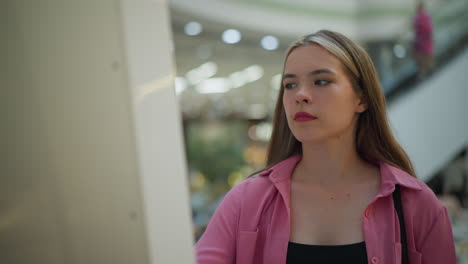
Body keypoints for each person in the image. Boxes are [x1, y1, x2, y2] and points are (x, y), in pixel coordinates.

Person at [195, 30, 456, 264]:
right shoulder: (246, 201)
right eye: (290, 85)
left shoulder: (417, 205)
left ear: (362, 98)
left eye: (321, 81)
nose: (300, 95)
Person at [413, 1, 434, 79]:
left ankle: (425, 73)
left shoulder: (420, 17)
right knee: (425, 56)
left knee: (425, 56)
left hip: (423, 39)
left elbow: (415, 27)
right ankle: (427, 72)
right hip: (423, 39)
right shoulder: (421, 16)